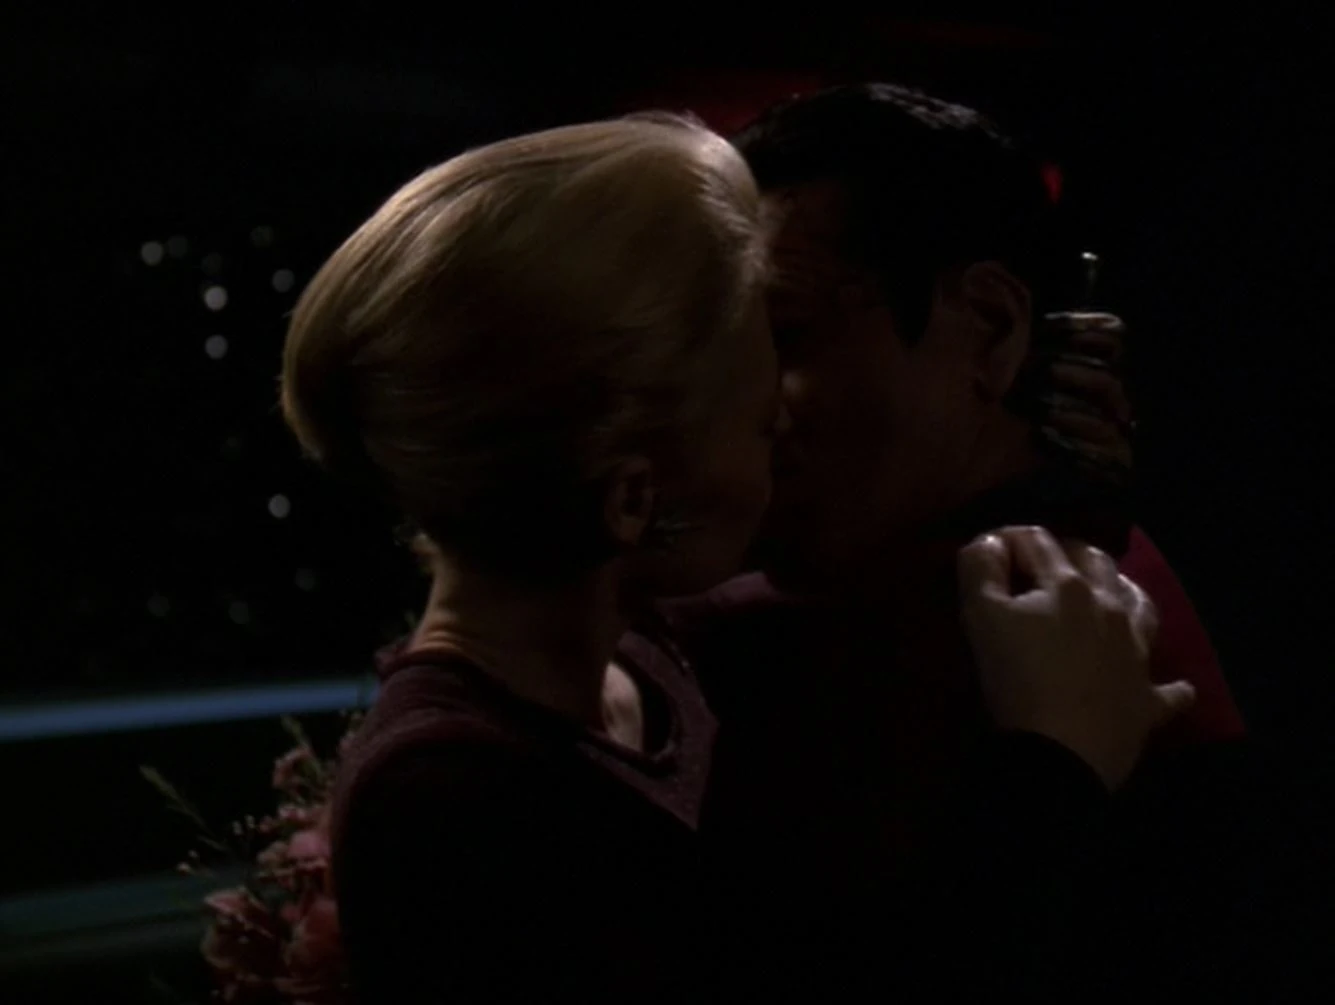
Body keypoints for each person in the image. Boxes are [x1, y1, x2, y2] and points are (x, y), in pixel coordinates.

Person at [282, 113, 1188, 1002]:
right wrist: (1053, 772)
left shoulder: (655, 663)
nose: (781, 424)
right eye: (755, 411)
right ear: (633, 498)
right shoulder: (450, 798)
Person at [643, 83, 1251, 998]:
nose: (732, 408)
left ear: (992, 327)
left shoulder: (1023, 640)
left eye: (786, 337)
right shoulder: (811, 608)